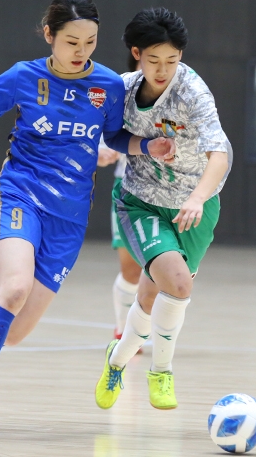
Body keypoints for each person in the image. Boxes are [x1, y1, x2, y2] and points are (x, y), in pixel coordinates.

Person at [0, 0, 174, 438]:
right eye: (71, 42)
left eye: (89, 42)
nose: (81, 52)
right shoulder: (22, 77)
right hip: (21, 197)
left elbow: (114, 137)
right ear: (49, 35)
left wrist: (147, 146)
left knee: (13, 332)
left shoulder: (107, 85)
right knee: (11, 290)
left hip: (68, 219)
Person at [95, 8, 233, 411]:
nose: (163, 70)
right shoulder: (120, 90)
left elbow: (219, 154)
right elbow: (106, 134)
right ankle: (162, 371)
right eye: (154, 60)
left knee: (154, 292)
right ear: (137, 53)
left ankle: (116, 361)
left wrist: (197, 198)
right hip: (141, 201)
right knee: (178, 283)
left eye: (172, 61)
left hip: (196, 204)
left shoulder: (193, 92)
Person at [97, 53, 143, 344]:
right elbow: (103, 144)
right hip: (128, 189)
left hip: (169, 191)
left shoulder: (181, 96)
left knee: (166, 271)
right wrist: (103, 152)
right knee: (131, 269)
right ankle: (122, 327)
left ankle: (154, 329)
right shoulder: (121, 97)